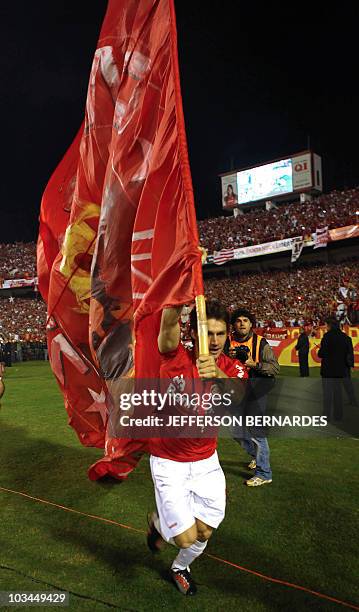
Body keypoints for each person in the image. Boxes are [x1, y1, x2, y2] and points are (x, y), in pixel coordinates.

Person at [147, 300, 247, 596]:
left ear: (227, 335)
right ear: (194, 334)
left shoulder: (231, 368)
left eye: (220, 334)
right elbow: (167, 324)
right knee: (186, 537)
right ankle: (158, 522)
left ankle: (179, 568)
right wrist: (180, 288)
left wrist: (216, 373)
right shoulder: (173, 358)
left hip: (206, 461)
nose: (214, 341)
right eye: (208, 334)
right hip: (169, 461)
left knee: (204, 532)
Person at [228, 308, 280, 486]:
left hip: (256, 392)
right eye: (238, 320)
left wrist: (252, 363)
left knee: (257, 432)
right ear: (234, 324)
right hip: (234, 391)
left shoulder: (260, 342)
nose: (242, 323)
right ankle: (256, 457)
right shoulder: (227, 342)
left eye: (245, 320)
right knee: (235, 430)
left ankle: (264, 473)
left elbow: (274, 368)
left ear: (251, 324)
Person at [318, 317, 355, 421]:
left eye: (326, 325)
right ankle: (338, 416)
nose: (325, 327)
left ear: (329, 325)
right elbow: (349, 354)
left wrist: (320, 351)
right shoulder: (346, 338)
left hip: (328, 370)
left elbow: (321, 353)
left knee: (327, 394)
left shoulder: (327, 337)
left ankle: (326, 416)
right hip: (340, 370)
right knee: (338, 393)